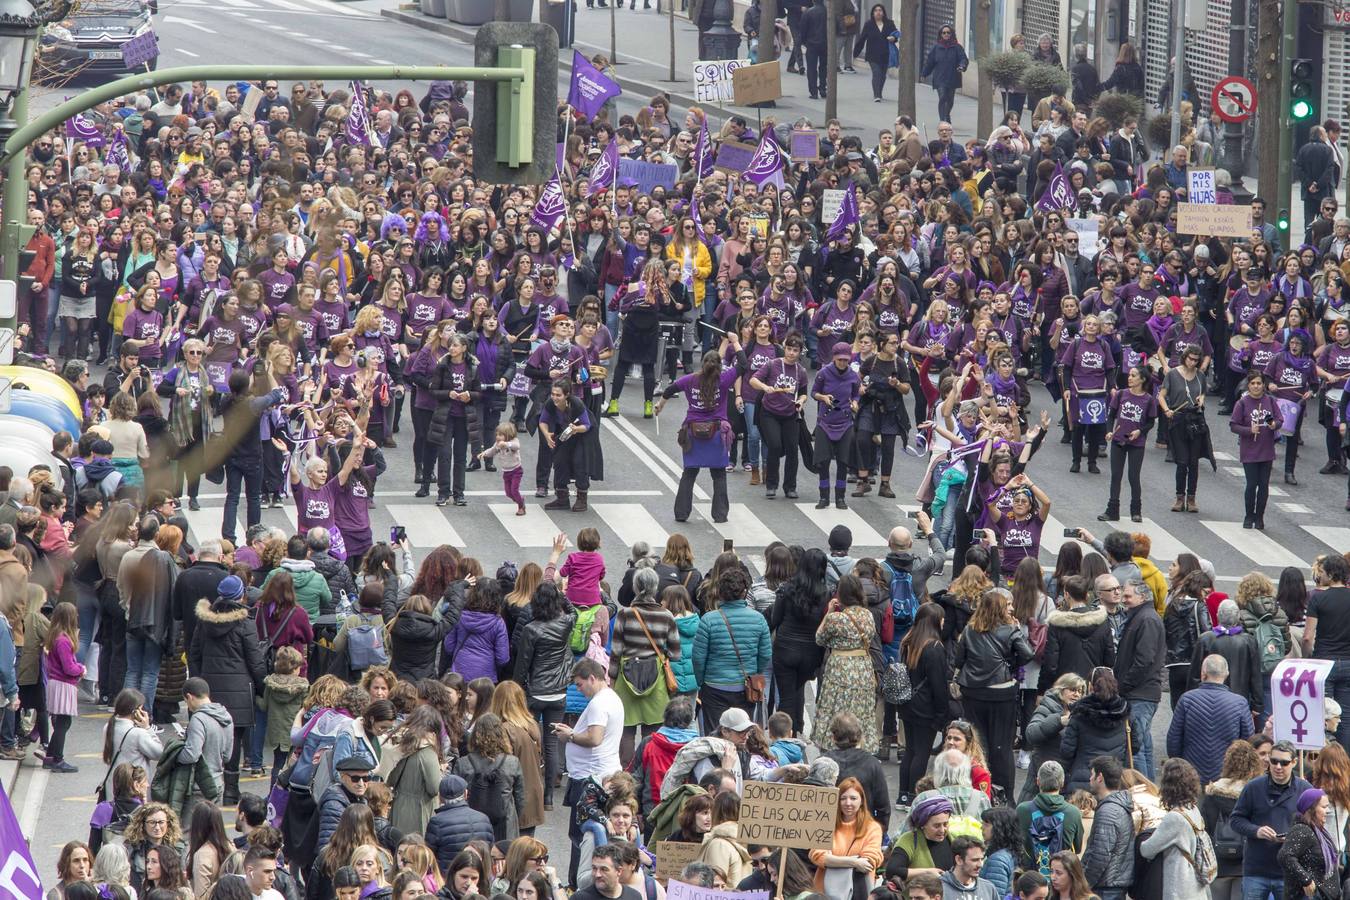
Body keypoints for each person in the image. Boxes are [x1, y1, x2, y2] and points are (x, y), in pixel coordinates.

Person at [954, 587, 1034, 798]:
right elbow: (1027, 654)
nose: (1012, 608)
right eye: (1007, 605)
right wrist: (1010, 663)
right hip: (1002, 692)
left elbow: (958, 660)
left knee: (979, 743)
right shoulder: (1010, 630)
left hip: (973, 691)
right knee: (1003, 745)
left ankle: (981, 789)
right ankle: (1005, 794)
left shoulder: (970, 630)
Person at [555, 658, 624, 884]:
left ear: (592, 678)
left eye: (580, 684)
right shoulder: (611, 698)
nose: (578, 689)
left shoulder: (598, 704)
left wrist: (570, 735)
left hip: (589, 777)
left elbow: (595, 738)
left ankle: (576, 884)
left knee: (580, 835)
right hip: (599, 772)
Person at [1231, 740, 1314, 900]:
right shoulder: (1253, 787)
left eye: (1284, 763)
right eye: (1274, 761)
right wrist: (1257, 831)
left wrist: (1295, 837)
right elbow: (1236, 820)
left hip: (1290, 870)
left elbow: (1316, 828)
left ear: (1294, 762)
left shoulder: (1305, 790)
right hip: (1256, 870)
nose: (1278, 767)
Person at [1166, 655, 1255, 785]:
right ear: (1226, 674)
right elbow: (1248, 742)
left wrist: (1180, 766)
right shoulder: (1239, 703)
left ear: (1203, 673)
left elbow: (1173, 740)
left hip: (1191, 773)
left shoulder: (1187, 700)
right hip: (1226, 775)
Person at [1113, 576, 1166, 778]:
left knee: (1135, 748)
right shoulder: (1142, 617)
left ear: (1142, 596)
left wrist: (1123, 686)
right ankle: (1149, 790)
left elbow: (1144, 660)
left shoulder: (1147, 619)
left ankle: (1142, 792)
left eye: (1127, 595)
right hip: (1141, 693)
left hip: (1140, 694)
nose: (1123, 599)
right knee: (1142, 745)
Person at [1201, 740, 1266, 900]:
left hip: (1219, 865)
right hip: (1247, 866)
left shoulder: (1212, 793)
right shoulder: (1257, 793)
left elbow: (1205, 829)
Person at [1139, 758, 1209, 900]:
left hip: (1180, 887)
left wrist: (1141, 835)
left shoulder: (1175, 817)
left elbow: (1147, 850)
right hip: (1196, 885)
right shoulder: (1193, 809)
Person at [1303, 553, 1350, 745]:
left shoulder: (1318, 599)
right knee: (1344, 717)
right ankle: (1344, 761)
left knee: (1324, 714)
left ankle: (1324, 757)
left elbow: (1307, 637)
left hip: (1323, 663)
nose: (1319, 576)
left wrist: (1307, 659)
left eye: (1322, 572)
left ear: (1331, 574)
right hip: (1348, 662)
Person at [1229, 371, 1282, 529]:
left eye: (1259, 383)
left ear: (1263, 385)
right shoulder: (1242, 403)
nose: (1256, 386)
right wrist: (1248, 430)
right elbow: (1233, 425)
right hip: (1250, 450)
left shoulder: (1270, 401)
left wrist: (1274, 425)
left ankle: (1259, 517)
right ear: (1248, 385)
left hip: (1266, 449)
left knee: (1264, 485)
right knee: (1252, 484)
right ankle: (1249, 515)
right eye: (1253, 383)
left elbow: (1279, 419)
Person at [1015, 761, 1084, 875]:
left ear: (1038, 781)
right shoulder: (1073, 813)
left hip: (1030, 879)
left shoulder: (1022, 810)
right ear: (1062, 783)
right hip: (1062, 879)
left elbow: (1016, 844)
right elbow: (1077, 849)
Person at [1080, 756, 1134, 900]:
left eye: (1092, 774)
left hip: (1105, 889)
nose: (1090, 778)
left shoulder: (1108, 812)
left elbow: (1100, 855)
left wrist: (1083, 886)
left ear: (1100, 777)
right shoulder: (1116, 806)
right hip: (1112, 886)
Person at [1278, 788, 1343, 900]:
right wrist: (1306, 880)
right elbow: (1285, 856)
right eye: (1323, 807)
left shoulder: (1320, 832)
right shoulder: (1302, 829)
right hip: (1308, 896)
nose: (1328, 811)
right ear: (1311, 809)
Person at [424, 774, 494, 876]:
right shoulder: (483, 818)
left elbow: (429, 855)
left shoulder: (437, 822)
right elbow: (490, 849)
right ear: (465, 794)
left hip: (449, 879)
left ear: (440, 798)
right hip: (479, 877)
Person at [885, 796, 955, 886]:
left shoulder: (952, 840)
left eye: (945, 824)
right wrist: (926, 872)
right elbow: (892, 871)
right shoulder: (909, 841)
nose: (942, 830)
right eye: (936, 826)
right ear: (923, 825)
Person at [921, 25, 968, 124]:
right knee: (943, 97)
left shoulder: (957, 47)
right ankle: (943, 120)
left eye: (948, 33)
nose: (946, 34)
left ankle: (946, 115)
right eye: (944, 33)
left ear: (952, 34)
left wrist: (962, 66)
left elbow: (963, 59)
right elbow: (930, 62)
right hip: (940, 78)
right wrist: (924, 74)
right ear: (940, 34)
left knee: (950, 100)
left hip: (952, 77)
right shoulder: (936, 47)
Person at [853, 4, 898, 102]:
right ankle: (876, 95)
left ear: (883, 12)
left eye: (880, 10)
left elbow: (895, 35)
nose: (878, 12)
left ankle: (879, 92)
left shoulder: (889, 23)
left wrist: (893, 38)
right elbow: (862, 39)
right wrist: (856, 52)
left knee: (882, 75)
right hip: (872, 54)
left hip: (886, 54)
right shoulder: (869, 24)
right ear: (873, 13)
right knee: (876, 73)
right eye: (876, 10)